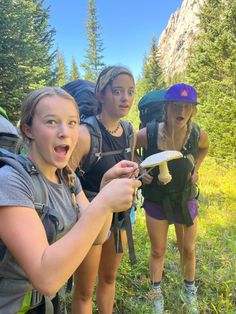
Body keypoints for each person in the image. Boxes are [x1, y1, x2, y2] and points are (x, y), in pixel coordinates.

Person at [0, 86, 141, 313]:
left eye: (73, 122)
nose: (65, 132)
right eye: (51, 122)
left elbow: (97, 237)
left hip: (47, 306)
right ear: (28, 130)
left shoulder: (67, 176)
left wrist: (104, 188)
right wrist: (104, 202)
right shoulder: (11, 182)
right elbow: (47, 280)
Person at [136, 83, 209, 314]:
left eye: (188, 107)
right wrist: (139, 169)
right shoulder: (148, 133)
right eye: (176, 106)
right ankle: (156, 295)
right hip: (157, 199)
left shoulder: (197, 134)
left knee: (188, 249)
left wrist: (196, 168)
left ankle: (189, 291)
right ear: (166, 108)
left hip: (185, 198)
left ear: (193, 111)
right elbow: (128, 150)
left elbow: (204, 149)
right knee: (158, 250)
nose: (182, 112)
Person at [70, 66, 136, 314]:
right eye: (117, 91)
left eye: (130, 92)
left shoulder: (128, 131)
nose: (125, 98)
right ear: (100, 95)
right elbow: (64, 181)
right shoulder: (85, 135)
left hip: (120, 218)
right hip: (91, 219)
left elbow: (128, 164)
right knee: (85, 291)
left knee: (109, 279)